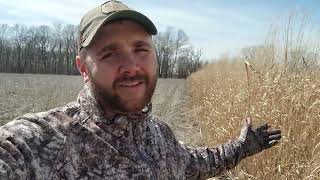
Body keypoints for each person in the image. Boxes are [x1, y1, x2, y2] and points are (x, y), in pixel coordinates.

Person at [0, 1, 282, 179]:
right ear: (83, 68)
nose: (131, 66)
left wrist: (242, 148)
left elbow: (193, 164)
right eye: (110, 53)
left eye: (141, 49)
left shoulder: (159, 135)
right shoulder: (42, 141)